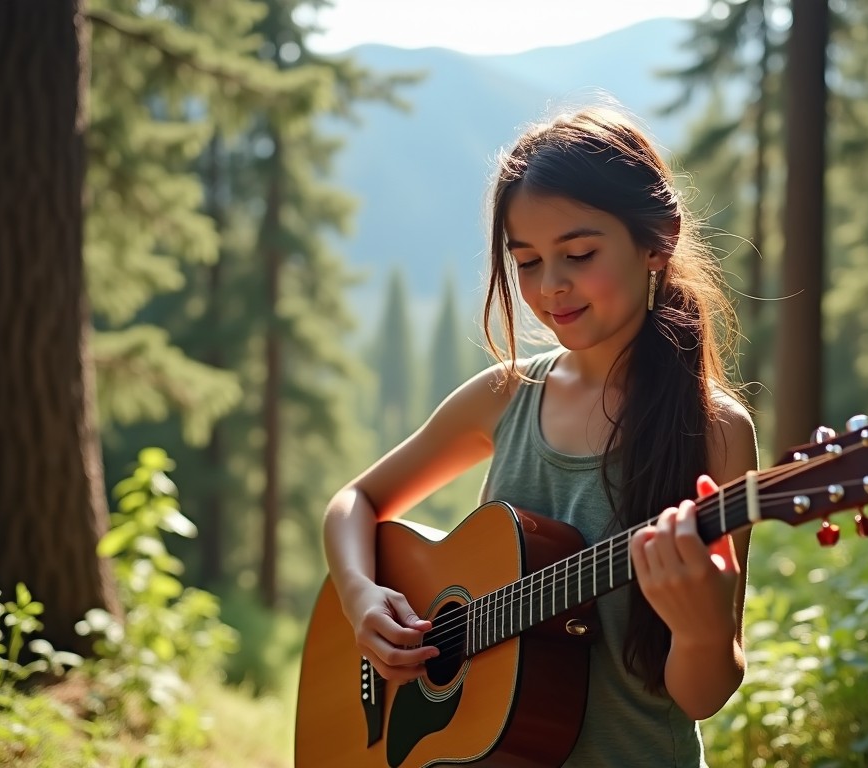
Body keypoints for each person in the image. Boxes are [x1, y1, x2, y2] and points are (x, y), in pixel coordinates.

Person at [322, 103, 759, 767]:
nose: (551, 287)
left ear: (657, 241)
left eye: (579, 254)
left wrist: (703, 631)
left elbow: (702, 696)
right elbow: (355, 502)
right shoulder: (506, 398)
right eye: (525, 262)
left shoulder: (715, 432)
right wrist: (362, 599)